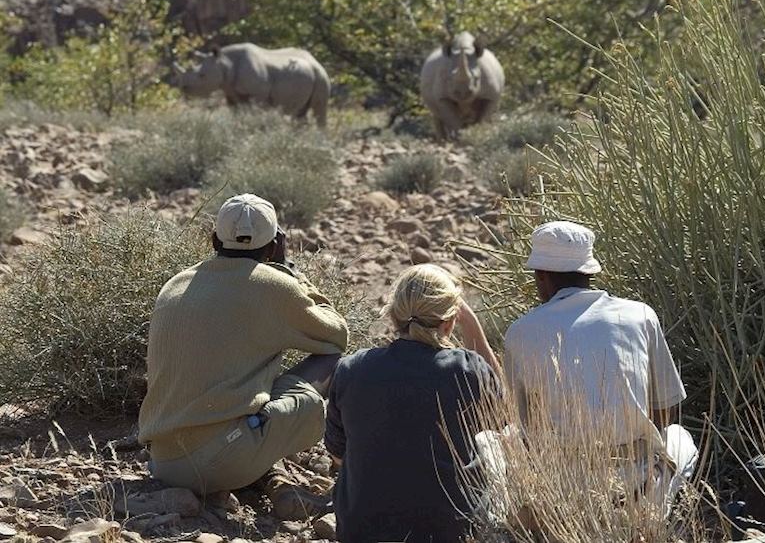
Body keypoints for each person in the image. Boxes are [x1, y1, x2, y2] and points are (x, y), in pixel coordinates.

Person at [138, 193, 348, 517]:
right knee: (333, 361)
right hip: (221, 463)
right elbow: (336, 335)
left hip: (163, 462)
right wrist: (289, 271)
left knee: (247, 391)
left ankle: (269, 475)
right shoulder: (273, 285)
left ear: (213, 239)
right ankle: (341, 469)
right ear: (275, 245)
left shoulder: (174, 284)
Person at [504, 220, 697, 510]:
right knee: (679, 438)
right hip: (639, 486)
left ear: (541, 275)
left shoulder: (521, 331)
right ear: (589, 271)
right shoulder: (640, 316)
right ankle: (651, 522)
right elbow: (665, 410)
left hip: (566, 489)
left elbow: (521, 424)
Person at [325, 264, 501, 543]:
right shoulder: (468, 370)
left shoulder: (352, 368)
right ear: (449, 321)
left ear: (393, 314)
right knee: (494, 445)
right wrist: (470, 322)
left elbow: (338, 454)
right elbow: (500, 414)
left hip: (363, 532)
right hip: (450, 533)